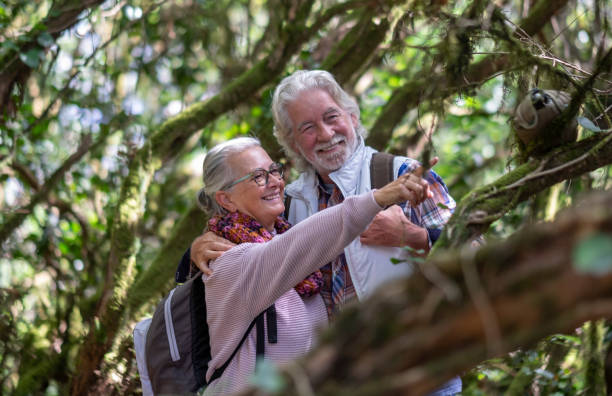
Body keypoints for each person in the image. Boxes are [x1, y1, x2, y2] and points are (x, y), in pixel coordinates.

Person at [191, 70, 461, 395]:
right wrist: (198, 246)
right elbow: (256, 255)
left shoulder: (401, 175)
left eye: (332, 117)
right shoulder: (289, 203)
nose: (325, 133)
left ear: (352, 116)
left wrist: (415, 238)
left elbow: (474, 253)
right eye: (307, 127)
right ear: (291, 142)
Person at [196, 136, 433, 395]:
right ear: (226, 200)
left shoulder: (284, 241)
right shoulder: (229, 262)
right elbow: (304, 242)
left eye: (274, 170)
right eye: (258, 177)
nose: (276, 182)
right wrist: (379, 197)